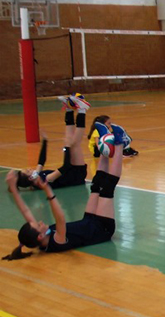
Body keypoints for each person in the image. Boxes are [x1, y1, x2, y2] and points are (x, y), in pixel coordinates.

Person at [2, 121, 125, 261]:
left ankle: (105, 149)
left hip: (88, 221)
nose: (40, 222)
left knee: (96, 185)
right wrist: (47, 190)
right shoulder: (57, 241)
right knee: (107, 188)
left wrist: (13, 187)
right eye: (38, 225)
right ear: (40, 236)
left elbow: (25, 211)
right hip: (102, 229)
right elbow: (60, 217)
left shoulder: (41, 236)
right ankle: (120, 142)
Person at [14, 94, 90, 190]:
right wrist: (67, 147)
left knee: (68, 138)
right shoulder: (46, 180)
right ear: (30, 178)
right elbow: (65, 167)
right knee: (75, 144)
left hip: (71, 171)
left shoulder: (37, 176)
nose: (29, 169)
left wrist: (45, 141)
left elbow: (41, 161)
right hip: (76, 176)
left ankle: (69, 109)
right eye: (27, 171)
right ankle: (82, 110)